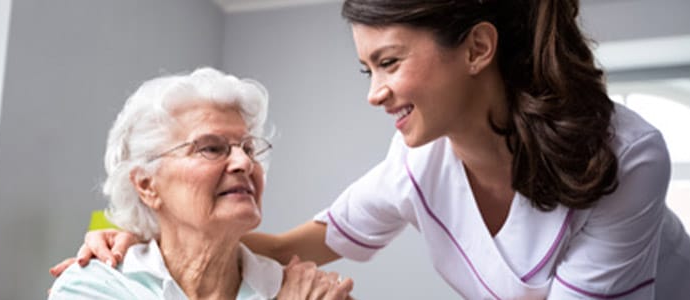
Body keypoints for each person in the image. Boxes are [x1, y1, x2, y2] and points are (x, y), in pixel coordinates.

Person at [52, 0, 690, 298]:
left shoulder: (627, 158)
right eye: (211, 148)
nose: (376, 94)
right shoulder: (412, 168)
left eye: (388, 63)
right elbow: (280, 245)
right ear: (146, 183)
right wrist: (135, 236)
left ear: (477, 49)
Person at [48, 67, 353, 299]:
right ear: (146, 185)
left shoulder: (306, 290)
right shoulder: (94, 286)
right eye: (210, 148)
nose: (244, 163)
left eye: (248, 148)